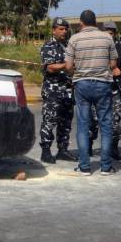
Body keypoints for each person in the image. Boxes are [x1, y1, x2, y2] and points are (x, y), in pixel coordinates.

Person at [65, 10, 118, 176]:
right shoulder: (107, 37)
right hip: (103, 84)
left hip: (82, 84)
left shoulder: (74, 39)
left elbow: (68, 66)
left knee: (82, 125)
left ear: (81, 23)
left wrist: (76, 75)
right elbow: (113, 63)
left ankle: (85, 166)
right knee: (106, 125)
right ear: (96, 22)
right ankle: (106, 166)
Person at [88, 21, 121, 160]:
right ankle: (89, 147)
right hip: (96, 89)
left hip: (114, 90)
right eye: (106, 33)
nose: (109, 36)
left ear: (115, 34)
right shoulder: (93, 45)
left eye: (111, 33)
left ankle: (113, 149)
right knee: (93, 121)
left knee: (114, 121)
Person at [39, 17, 77, 164]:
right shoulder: (48, 46)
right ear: (53, 30)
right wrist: (66, 66)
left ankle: (63, 150)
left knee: (66, 122)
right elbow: (49, 67)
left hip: (67, 90)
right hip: (53, 90)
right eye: (61, 29)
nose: (64, 31)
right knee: (49, 120)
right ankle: (46, 151)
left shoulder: (68, 46)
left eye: (66, 29)